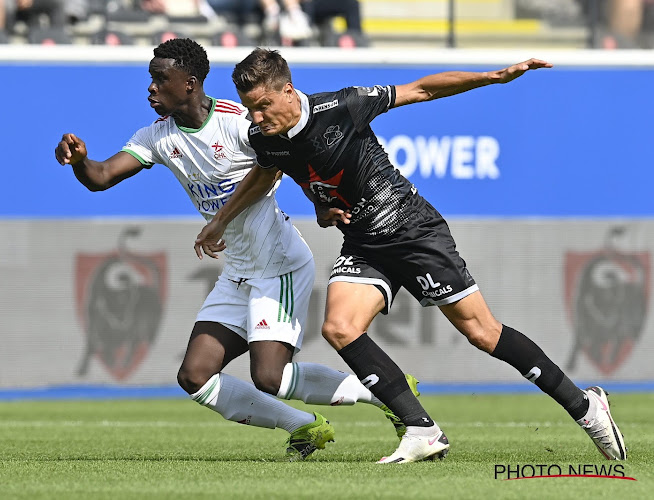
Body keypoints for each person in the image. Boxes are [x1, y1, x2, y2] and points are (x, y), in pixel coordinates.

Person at [194, 48, 627, 463]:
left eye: (264, 105)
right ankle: (421, 429)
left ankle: (584, 406)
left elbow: (421, 88)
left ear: (288, 90)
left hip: (412, 229)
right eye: (250, 108)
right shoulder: (264, 137)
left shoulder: (342, 106)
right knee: (340, 328)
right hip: (364, 242)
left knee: (482, 332)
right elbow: (269, 172)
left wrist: (494, 77)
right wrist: (253, 215)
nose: (256, 117)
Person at [54, 38, 420, 462]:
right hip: (238, 272)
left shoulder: (239, 123)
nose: (150, 88)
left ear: (189, 84)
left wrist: (303, 208)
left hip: (278, 264)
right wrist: (81, 159)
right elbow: (100, 177)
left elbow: (282, 164)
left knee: (269, 376)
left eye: (159, 79)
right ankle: (303, 426)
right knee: (195, 376)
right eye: (150, 79)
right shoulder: (156, 137)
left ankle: (389, 391)